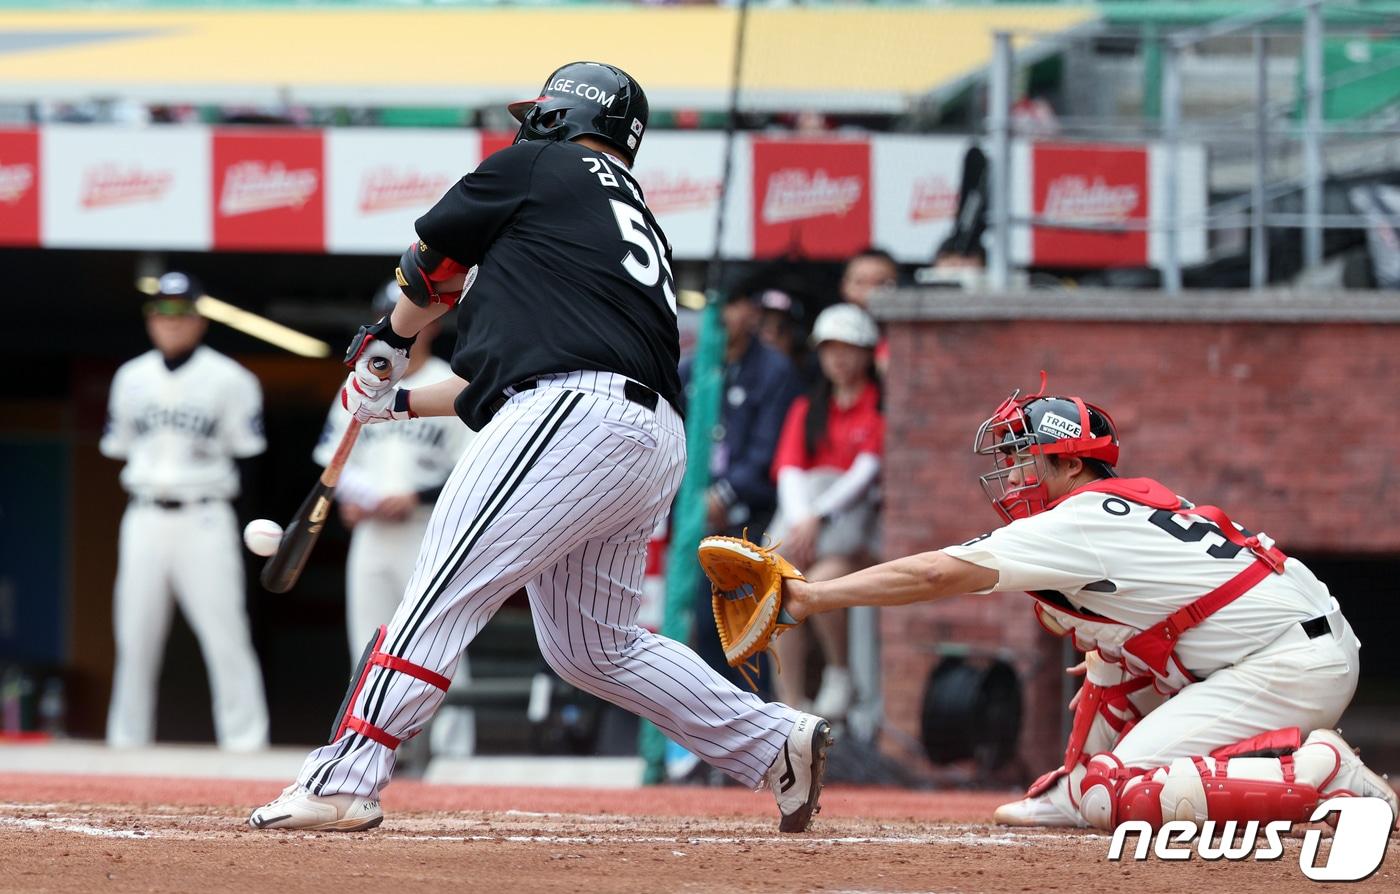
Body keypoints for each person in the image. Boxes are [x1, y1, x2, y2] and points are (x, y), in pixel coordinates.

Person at [249, 61, 832, 834]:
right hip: (641, 436)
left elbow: (432, 268)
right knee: (597, 647)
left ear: (564, 116)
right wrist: (387, 400)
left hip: (573, 416)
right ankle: (771, 742)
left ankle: (345, 777)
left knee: (440, 590)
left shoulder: (540, 164)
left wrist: (388, 340)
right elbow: (505, 383)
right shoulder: (619, 219)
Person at [744, 374, 1397, 831]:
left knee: (1121, 795)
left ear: (1074, 465)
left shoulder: (1075, 520)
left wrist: (811, 598)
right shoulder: (1127, 502)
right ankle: (1076, 787)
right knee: (1105, 654)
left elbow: (934, 574)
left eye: (1028, 458)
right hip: (1297, 640)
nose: (1014, 474)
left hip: (1286, 663)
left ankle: (1323, 775)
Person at [100, 271, 269, 751]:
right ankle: (124, 744)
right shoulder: (130, 377)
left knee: (226, 635)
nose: (170, 321)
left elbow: (250, 454)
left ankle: (245, 744)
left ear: (199, 318)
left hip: (206, 515)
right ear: (150, 319)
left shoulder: (232, 379)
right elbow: (121, 447)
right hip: (144, 514)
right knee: (135, 637)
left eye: (180, 311)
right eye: (160, 311)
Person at [313, 280, 478, 761]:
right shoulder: (359, 382)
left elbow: (475, 468)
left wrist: (415, 496)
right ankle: (370, 752)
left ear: (432, 322)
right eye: (389, 313)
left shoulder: (453, 380)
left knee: (439, 644)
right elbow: (333, 459)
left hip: (431, 530)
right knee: (368, 645)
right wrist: (349, 498)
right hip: (371, 533)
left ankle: (454, 755)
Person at [680, 287, 802, 697]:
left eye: (732, 304)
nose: (723, 316)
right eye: (714, 309)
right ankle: (717, 721)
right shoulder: (692, 370)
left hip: (756, 513)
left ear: (750, 312)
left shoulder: (774, 370)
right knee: (701, 617)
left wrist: (724, 495)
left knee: (744, 618)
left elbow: (768, 452)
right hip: (695, 512)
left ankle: (757, 714)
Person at [767, 304, 884, 723]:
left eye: (848, 348)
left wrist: (814, 517)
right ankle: (790, 701)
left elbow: (865, 474)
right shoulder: (807, 407)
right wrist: (803, 520)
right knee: (777, 587)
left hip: (854, 533)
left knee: (821, 583)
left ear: (868, 353)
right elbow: (790, 469)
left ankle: (839, 673)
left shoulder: (878, 408)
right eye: (829, 348)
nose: (838, 358)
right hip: (808, 529)